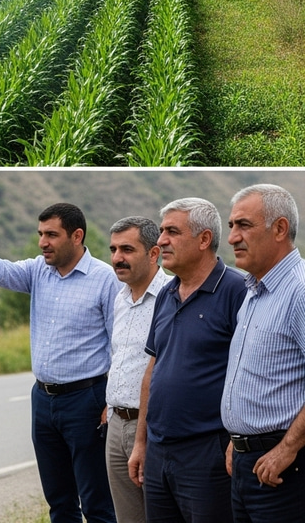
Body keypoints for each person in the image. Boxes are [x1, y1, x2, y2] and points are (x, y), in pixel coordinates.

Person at [0, 201, 119, 523]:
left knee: (96, 502)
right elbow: (1, 271)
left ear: (76, 236)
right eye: (40, 234)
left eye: (51, 234)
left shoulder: (105, 279)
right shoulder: (38, 271)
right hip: (43, 400)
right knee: (59, 502)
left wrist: (111, 401)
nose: (42, 242)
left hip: (87, 401)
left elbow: (119, 344)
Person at [128, 197, 245, 523]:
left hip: (208, 452)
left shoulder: (236, 291)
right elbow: (154, 368)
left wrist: (237, 439)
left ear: (204, 239)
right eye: (161, 231)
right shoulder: (166, 294)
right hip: (159, 449)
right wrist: (141, 443)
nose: (161, 240)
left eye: (171, 232)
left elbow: (251, 370)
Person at [221, 184, 305, 521]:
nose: (232, 237)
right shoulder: (254, 291)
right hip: (247, 462)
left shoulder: (299, 291)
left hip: (284, 466)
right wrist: (238, 438)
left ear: (280, 229)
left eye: (244, 225)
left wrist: (287, 448)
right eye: (231, 226)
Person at [105, 216, 171, 523]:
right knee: (128, 517)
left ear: (154, 253)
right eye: (114, 249)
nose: (117, 258)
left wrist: (142, 433)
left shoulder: (173, 295)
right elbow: (121, 355)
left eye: (127, 249)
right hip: (116, 423)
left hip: (149, 426)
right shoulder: (119, 298)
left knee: (159, 514)